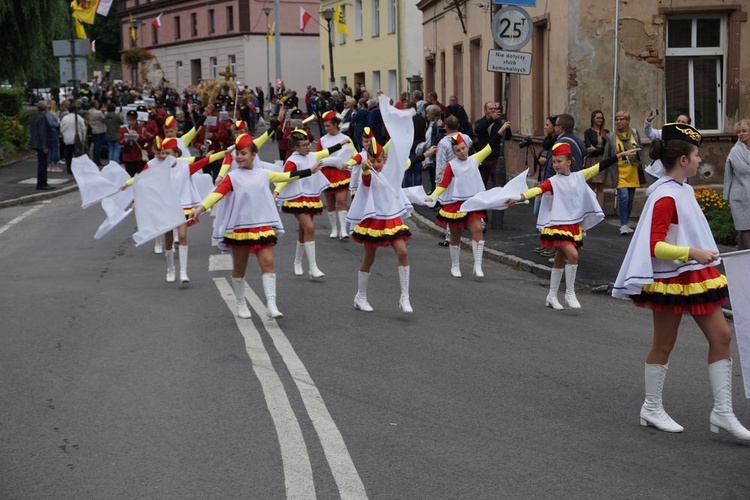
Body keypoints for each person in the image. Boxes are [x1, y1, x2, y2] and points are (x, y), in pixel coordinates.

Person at [612, 123, 750, 440]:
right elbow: (654, 246)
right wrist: (691, 251)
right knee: (664, 343)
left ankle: (723, 413)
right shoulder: (664, 197)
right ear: (683, 160)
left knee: (722, 336)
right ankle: (651, 407)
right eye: (696, 155)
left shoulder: (683, 190)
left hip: (694, 275)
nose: (700, 160)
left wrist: (698, 255)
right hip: (671, 279)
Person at [189, 134, 323, 319]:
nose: (239, 157)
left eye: (243, 153)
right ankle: (241, 302)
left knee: (268, 263)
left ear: (253, 155)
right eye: (237, 153)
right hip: (240, 229)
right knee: (240, 269)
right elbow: (218, 193)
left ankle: (271, 304)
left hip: (262, 226)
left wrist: (310, 170)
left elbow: (287, 176)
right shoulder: (232, 177)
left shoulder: (263, 174)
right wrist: (201, 208)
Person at [509, 142, 638, 309]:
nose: (556, 165)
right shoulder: (552, 181)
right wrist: (520, 197)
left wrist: (620, 155)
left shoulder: (579, 176)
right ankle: (570, 293)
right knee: (573, 255)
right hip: (557, 226)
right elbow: (538, 190)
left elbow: (600, 166)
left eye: (559, 161)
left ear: (569, 161)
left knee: (560, 258)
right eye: (554, 162)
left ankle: (551, 295)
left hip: (573, 226)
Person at [121, 137, 228, 283]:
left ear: (176, 154)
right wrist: (134, 197)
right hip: (165, 207)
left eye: (168, 153)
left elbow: (205, 161)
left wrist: (226, 152)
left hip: (183, 208)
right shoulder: (154, 167)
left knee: (182, 236)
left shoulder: (185, 167)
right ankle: (170, 268)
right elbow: (141, 181)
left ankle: (183, 272)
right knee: (169, 239)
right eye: (163, 153)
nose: (164, 157)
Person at [426, 121, 511, 278]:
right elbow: (444, 184)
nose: (462, 152)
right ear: (454, 152)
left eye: (463, 148)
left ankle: (477, 264)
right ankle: (455, 265)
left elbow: (490, 146)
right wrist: (432, 196)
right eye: (458, 150)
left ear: (467, 147)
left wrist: (501, 130)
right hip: (455, 204)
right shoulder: (451, 165)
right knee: (455, 235)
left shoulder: (474, 159)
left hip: (472, 203)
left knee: (477, 229)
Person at [275, 128, 348, 279]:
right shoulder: (292, 161)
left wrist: (341, 143)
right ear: (295, 147)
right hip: (296, 198)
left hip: (310, 197)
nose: (308, 147)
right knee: (310, 228)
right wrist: (276, 192)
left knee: (304, 230)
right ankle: (313, 267)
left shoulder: (312, 156)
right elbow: (285, 178)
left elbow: (326, 152)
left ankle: (297, 262)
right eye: (304, 145)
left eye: (308, 144)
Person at [603, 111, 647, 235]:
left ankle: (626, 222)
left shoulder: (634, 133)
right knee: (624, 197)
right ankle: (623, 224)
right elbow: (607, 155)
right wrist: (603, 172)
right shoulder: (612, 137)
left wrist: (644, 166)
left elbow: (640, 150)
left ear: (627, 121)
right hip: (620, 173)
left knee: (630, 200)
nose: (619, 122)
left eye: (621, 119)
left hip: (633, 172)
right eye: (617, 119)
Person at [317, 110, 355, 239]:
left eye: (328, 125)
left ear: (335, 124)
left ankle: (343, 230)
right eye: (325, 126)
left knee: (342, 200)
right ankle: (334, 229)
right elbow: (318, 158)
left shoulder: (346, 138)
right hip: (327, 172)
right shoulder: (322, 140)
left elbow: (354, 154)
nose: (326, 128)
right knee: (330, 202)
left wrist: (348, 163)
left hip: (341, 173)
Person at [435, 116, 472, 247]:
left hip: (450, 178)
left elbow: (440, 163)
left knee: (451, 207)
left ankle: (450, 236)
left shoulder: (443, 143)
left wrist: (438, 183)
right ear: (459, 125)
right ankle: (478, 224)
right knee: (468, 200)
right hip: (465, 175)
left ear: (446, 127)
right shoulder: (466, 138)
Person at [723, 119, 750, 250]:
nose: (741, 134)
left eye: (744, 131)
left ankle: (742, 258)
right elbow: (742, 169)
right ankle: (746, 258)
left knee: (744, 229)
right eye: (738, 132)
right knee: (744, 228)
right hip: (740, 196)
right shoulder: (735, 151)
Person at [474, 102, 512, 188]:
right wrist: (491, 119)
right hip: (483, 157)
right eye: (490, 109)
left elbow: (508, 137)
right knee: (481, 182)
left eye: (494, 108)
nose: (493, 110)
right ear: (485, 111)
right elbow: (477, 130)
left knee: (496, 183)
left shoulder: (500, 122)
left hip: (495, 157)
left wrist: (508, 129)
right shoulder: (480, 122)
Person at [643, 110, 692, 179]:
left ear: (687, 126)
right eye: (678, 121)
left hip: (677, 173)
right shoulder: (665, 132)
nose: (679, 123)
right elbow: (649, 133)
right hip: (659, 172)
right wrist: (648, 122)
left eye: (683, 122)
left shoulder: (689, 139)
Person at [583, 110, 608, 208]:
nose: (600, 120)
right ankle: (590, 209)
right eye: (598, 118)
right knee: (591, 186)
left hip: (603, 160)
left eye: (601, 118)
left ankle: (599, 210)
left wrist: (596, 149)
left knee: (601, 187)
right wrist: (600, 149)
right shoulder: (588, 132)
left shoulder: (606, 133)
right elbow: (588, 148)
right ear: (593, 119)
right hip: (591, 161)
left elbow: (607, 148)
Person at [119, 109, 154, 176]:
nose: (131, 122)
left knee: (140, 175)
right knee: (130, 176)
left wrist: (139, 136)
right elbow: (120, 141)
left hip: (139, 156)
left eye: (133, 120)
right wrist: (126, 140)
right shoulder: (123, 129)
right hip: (128, 157)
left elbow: (149, 137)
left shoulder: (141, 129)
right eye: (129, 120)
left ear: (136, 120)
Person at [29, 101, 55, 190]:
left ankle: (42, 183)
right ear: (46, 108)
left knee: (42, 163)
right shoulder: (42, 118)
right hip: (41, 145)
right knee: (43, 164)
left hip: (36, 143)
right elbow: (43, 133)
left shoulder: (35, 117)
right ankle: (42, 183)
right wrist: (45, 146)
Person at [59, 106, 87, 175]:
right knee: (78, 155)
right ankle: (77, 169)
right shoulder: (78, 118)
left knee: (68, 155)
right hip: (77, 139)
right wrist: (84, 138)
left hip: (67, 139)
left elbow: (61, 128)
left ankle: (69, 169)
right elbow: (83, 128)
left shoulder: (65, 118)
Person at [88, 101, 107, 165]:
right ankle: (97, 160)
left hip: (93, 130)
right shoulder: (98, 113)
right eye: (97, 104)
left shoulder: (89, 111)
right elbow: (104, 119)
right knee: (98, 147)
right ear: (95, 105)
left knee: (95, 146)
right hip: (100, 130)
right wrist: (104, 112)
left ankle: (94, 159)